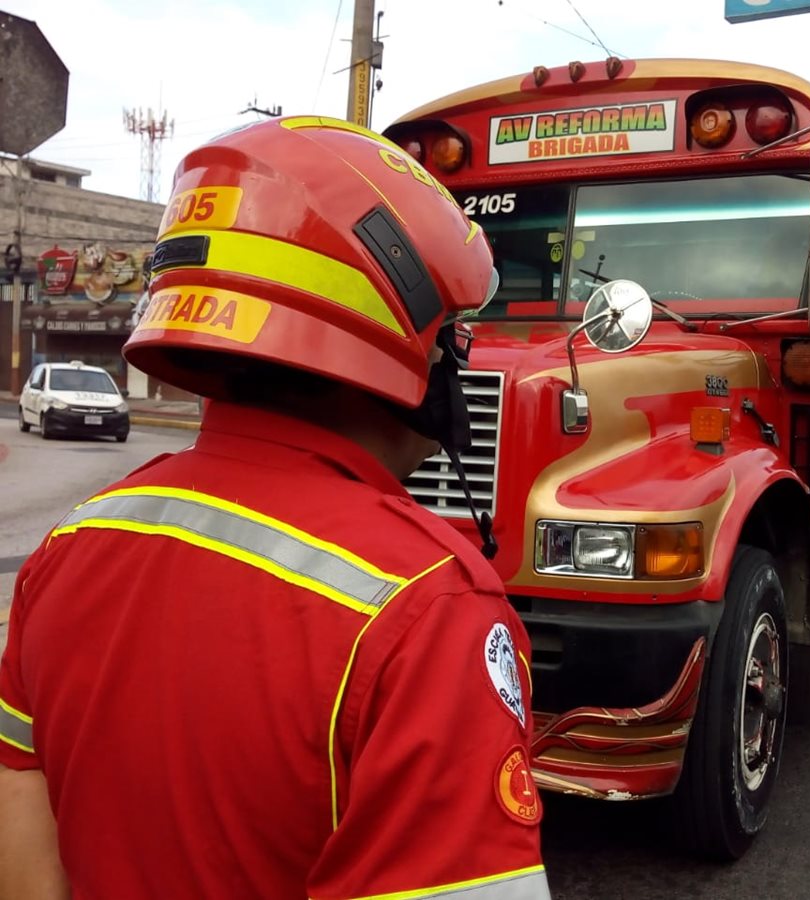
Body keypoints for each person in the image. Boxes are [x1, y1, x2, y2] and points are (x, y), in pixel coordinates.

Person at [0, 119, 549, 900]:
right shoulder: (430, 610)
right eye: (451, 336)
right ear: (405, 344)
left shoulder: (71, 544)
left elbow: (24, 843)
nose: (456, 360)